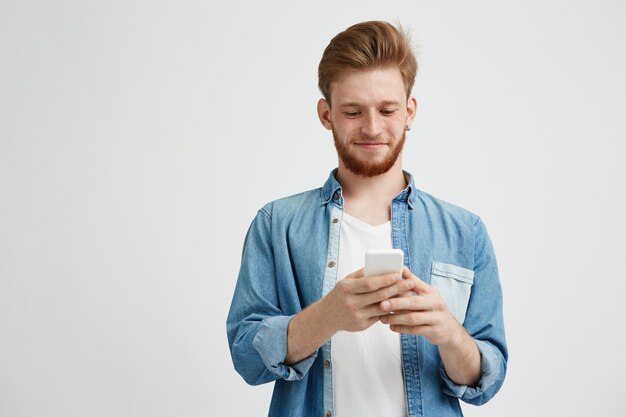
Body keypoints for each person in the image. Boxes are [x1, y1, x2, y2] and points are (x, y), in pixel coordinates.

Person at [226, 21, 507, 417]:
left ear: (409, 110)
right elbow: (246, 357)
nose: (372, 128)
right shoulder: (276, 225)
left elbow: (487, 381)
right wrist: (326, 317)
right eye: (353, 111)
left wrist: (448, 334)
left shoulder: (466, 232)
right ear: (326, 115)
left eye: (387, 110)